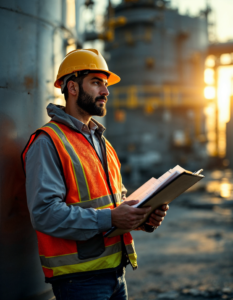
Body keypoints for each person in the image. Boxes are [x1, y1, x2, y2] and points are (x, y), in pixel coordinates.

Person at [22, 49, 169, 300]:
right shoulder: (48, 142)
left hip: (115, 274)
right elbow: (44, 214)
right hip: (79, 281)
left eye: (105, 84)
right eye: (96, 82)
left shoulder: (102, 142)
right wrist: (111, 218)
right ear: (72, 88)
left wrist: (142, 216)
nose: (106, 91)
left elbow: (113, 202)